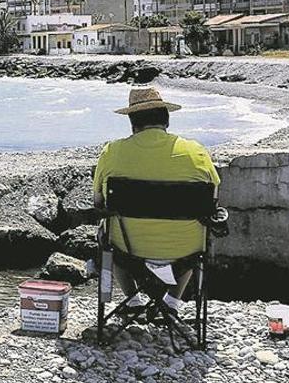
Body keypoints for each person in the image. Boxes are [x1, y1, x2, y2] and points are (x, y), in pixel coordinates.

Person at [92, 87, 221, 314]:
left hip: (128, 250)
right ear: (166, 119)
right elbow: (213, 199)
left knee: (107, 230)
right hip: (186, 250)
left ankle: (132, 300)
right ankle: (171, 301)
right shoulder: (196, 152)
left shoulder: (112, 152)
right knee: (199, 226)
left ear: (132, 122)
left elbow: (98, 202)